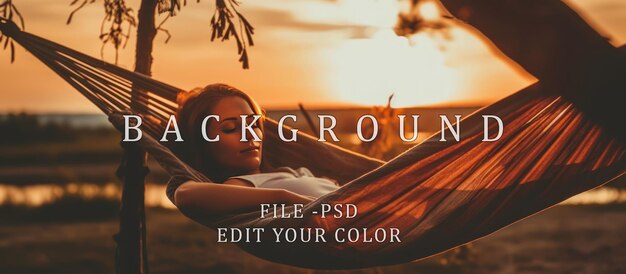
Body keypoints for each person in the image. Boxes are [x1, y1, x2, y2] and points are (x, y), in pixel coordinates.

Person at [169, 83, 340, 216]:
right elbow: (185, 195)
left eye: (253, 124)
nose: (249, 135)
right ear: (203, 143)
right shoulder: (241, 185)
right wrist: (284, 198)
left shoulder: (288, 172)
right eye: (230, 128)